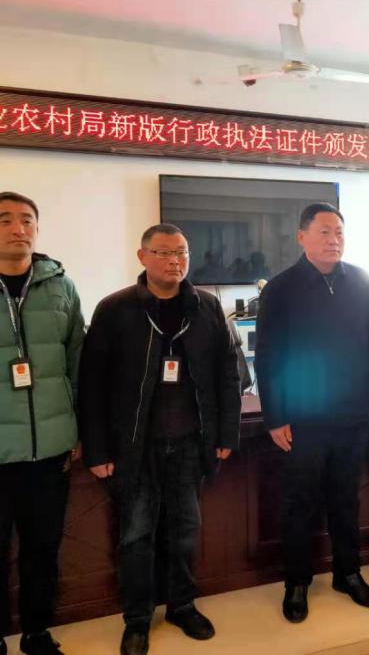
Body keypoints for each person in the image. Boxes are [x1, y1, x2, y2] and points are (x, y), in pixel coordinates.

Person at [79, 224, 240, 655]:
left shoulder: (206, 306)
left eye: (182, 252)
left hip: (189, 443)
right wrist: (97, 449)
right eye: (164, 252)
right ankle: (137, 618)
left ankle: (182, 606)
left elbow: (227, 374)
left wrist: (226, 433)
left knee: (186, 530)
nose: (175, 261)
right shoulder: (115, 309)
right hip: (135, 447)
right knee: (136, 535)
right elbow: (92, 385)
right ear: (142, 257)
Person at [255, 203, 369, 623]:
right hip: (304, 418)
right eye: (325, 232)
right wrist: (275, 416)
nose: (334, 240)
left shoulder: (361, 281)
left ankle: (349, 573)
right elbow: (268, 357)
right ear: (302, 237)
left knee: (346, 499)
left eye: (339, 232)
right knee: (300, 503)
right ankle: (297, 583)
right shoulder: (281, 288)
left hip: (352, 415)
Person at [0, 192, 84, 655]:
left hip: (50, 448)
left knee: (42, 548)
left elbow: (78, 362)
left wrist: (79, 430)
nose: (18, 228)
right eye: (5, 220)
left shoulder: (60, 285)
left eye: (27, 220)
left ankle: (36, 633)